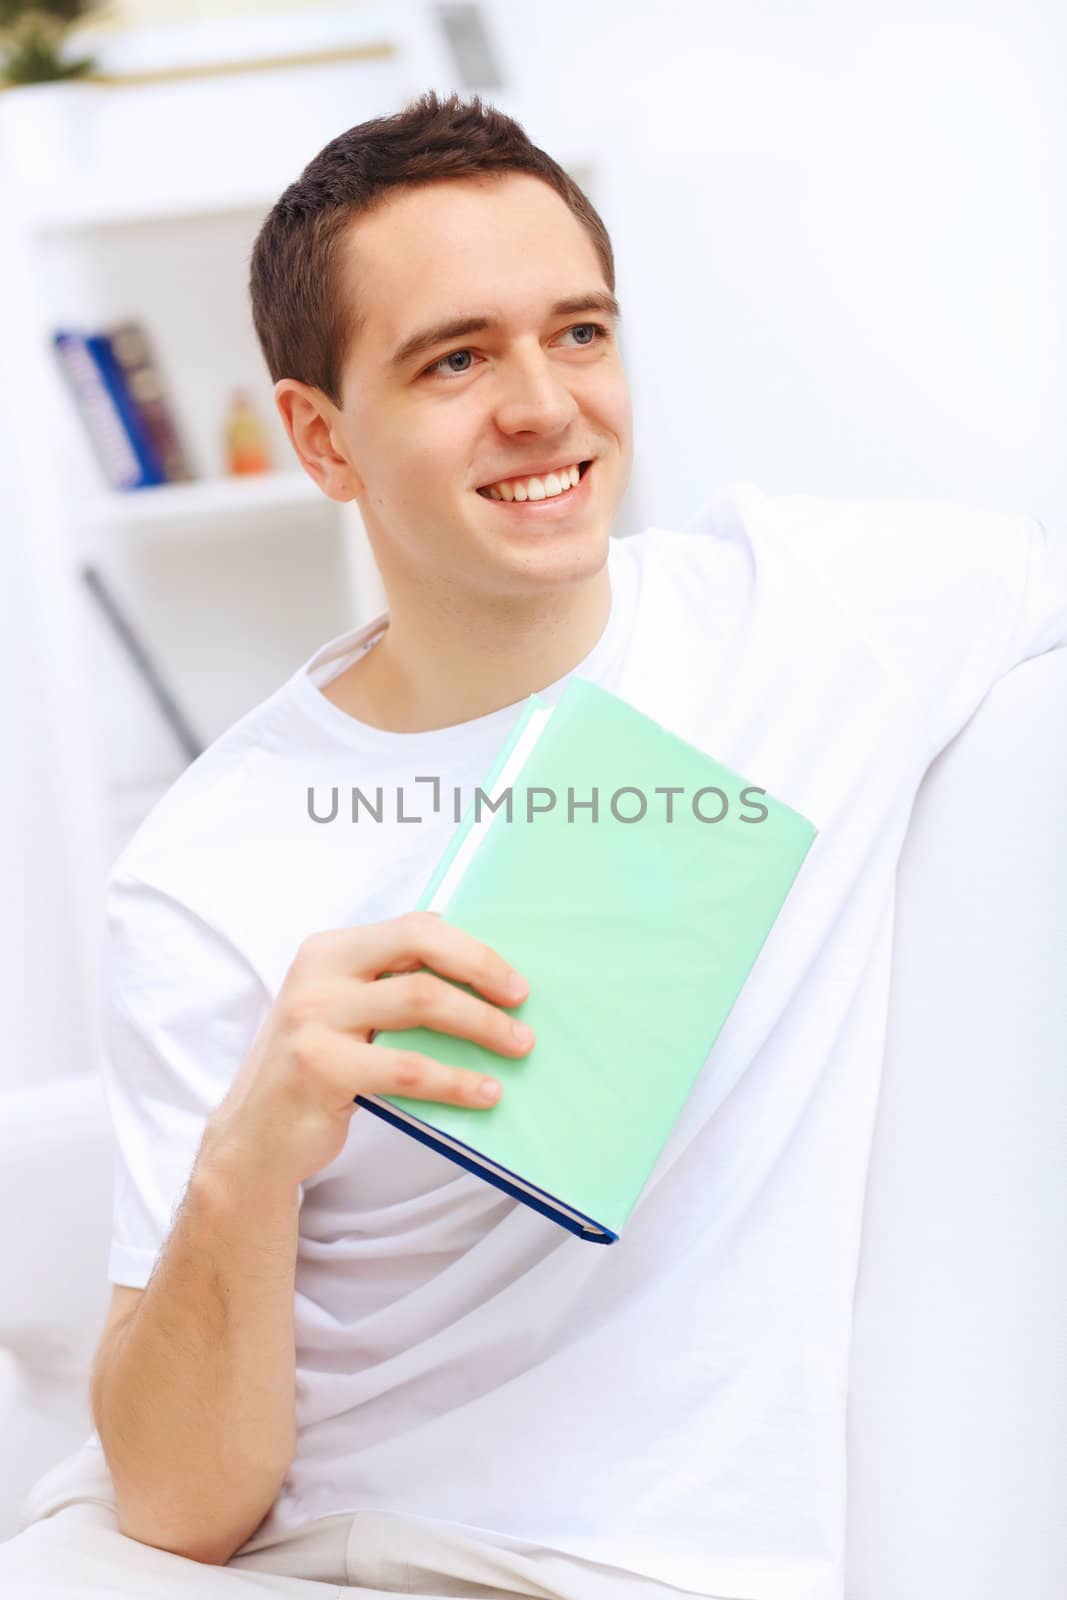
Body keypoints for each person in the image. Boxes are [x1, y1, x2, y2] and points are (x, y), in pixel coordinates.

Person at [1, 89, 1064, 1600]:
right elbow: (179, 1508)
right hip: (267, 1553)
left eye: (579, 333)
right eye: (454, 359)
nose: (546, 407)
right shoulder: (210, 863)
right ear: (320, 438)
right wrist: (253, 1155)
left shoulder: (813, 617)